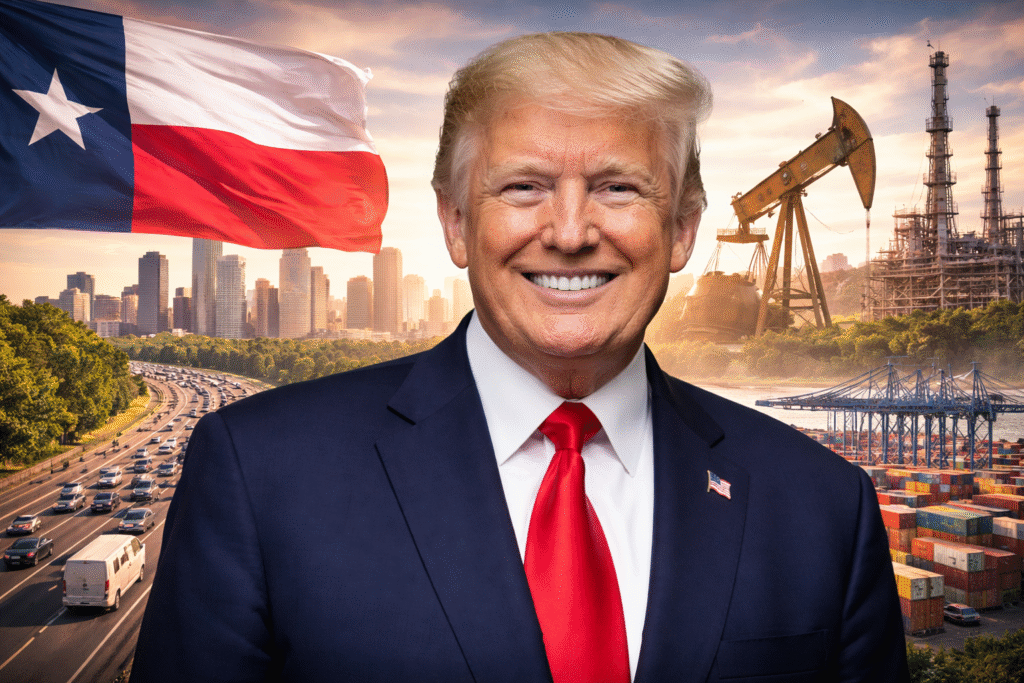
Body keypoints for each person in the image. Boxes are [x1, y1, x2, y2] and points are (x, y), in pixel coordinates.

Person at [131, 32, 908, 682]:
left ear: (682, 229)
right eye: (525, 186)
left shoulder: (823, 508)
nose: (570, 231)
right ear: (456, 221)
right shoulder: (258, 474)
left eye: (618, 187)